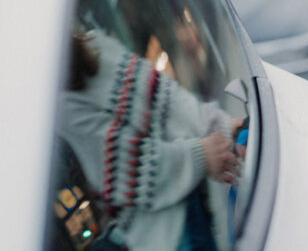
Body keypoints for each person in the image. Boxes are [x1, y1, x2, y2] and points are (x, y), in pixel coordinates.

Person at [59, 28, 244, 250]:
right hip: (165, 238)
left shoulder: (98, 45)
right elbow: (130, 169)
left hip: (194, 202)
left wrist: (220, 126)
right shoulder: (63, 108)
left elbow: (167, 100)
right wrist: (202, 154)